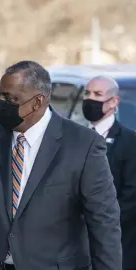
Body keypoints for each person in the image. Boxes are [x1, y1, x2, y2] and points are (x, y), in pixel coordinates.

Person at [0, 61, 122, 270]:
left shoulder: (83, 145)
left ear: (37, 102)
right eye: (0, 95)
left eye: (11, 99)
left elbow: (104, 223)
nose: (1, 103)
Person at [82, 75, 136, 270]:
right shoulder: (76, 138)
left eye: (98, 94)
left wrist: (101, 225)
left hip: (115, 244)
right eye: (87, 93)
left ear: (113, 102)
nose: (90, 99)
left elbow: (131, 197)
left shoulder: (130, 143)